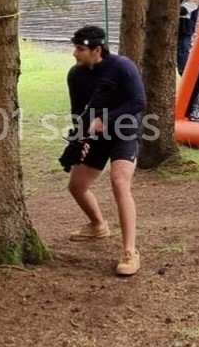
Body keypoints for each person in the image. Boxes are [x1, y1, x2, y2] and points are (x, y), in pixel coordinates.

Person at [61, 24, 146, 277]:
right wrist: (81, 137)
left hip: (124, 129)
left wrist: (105, 121)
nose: (74, 54)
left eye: (79, 49)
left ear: (96, 50)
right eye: (74, 48)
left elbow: (138, 102)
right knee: (76, 185)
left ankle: (130, 251)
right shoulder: (75, 75)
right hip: (95, 133)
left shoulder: (122, 67)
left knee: (119, 181)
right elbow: (78, 111)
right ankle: (98, 226)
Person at [178, 0, 199, 75]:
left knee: (183, 54)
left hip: (185, 32)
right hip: (178, 31)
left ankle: (186, 75)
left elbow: (182, 11)